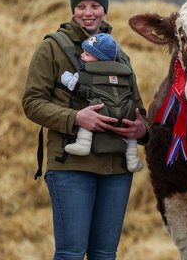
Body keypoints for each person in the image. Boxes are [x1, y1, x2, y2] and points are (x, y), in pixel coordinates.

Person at [22, 0, 148, 260]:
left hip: (114, 167)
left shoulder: (120, 55)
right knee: (71, 251)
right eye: (82, 7)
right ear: (73, 10)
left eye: (95, 6)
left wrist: (141, 130)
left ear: (105, 10)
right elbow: (32, 102)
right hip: (70, 164)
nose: (88, 13)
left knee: (105, 254)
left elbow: (136, 107)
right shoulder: (52, 48)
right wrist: (74, 117)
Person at [60, 32, 144, 172]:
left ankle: (83, 143)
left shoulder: (88, 73)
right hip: (125, 113)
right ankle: (133, 158)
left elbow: (72, 83)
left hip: (103, 113)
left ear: (99, 59)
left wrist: (65, 76)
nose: (82, 56)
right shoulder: (124, 74)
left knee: (92, 110)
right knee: (131, 126)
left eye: (86, 54)